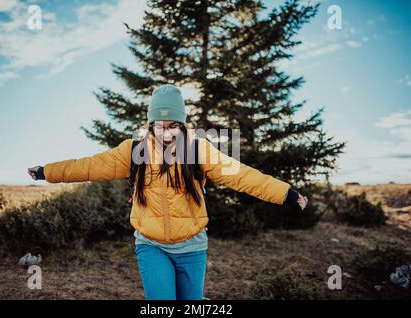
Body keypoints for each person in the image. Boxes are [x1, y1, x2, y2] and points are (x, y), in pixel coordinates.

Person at [28, 84, 308, 300]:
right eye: (159, 126)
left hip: (192, 245)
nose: (166, 133)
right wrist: (46, 172)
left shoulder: (198, 150)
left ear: (183, 125)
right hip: (151, 245)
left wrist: (286, 193)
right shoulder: (134, 151)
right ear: (150, 125)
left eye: (173, 125)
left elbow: (241, 175)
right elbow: (88, 167)